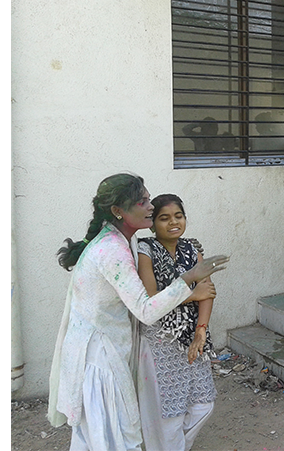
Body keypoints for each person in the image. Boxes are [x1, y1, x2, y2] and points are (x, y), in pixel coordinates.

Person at [47, 174, 228, 451]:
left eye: (148, 199)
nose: (150, 207)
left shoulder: (121, 240)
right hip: (98, 360)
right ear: (118, 211)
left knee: (99, 438)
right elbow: (146, 309)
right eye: (142, 202)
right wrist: (190, 279)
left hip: (104, 352)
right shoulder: (112, 250)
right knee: (107, 438)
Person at [134, 194, 218, 451]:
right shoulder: (146, 250)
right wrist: (191, 294)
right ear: (152, 224)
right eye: (164, 218)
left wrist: (201, 331)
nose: (173, 222)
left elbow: (208, 292)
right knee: (169, 409)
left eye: (178, 216)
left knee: (204, 403)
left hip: (191, 337)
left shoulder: (192, 249)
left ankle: (175, 446)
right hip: (160, 339)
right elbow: (151, 299)